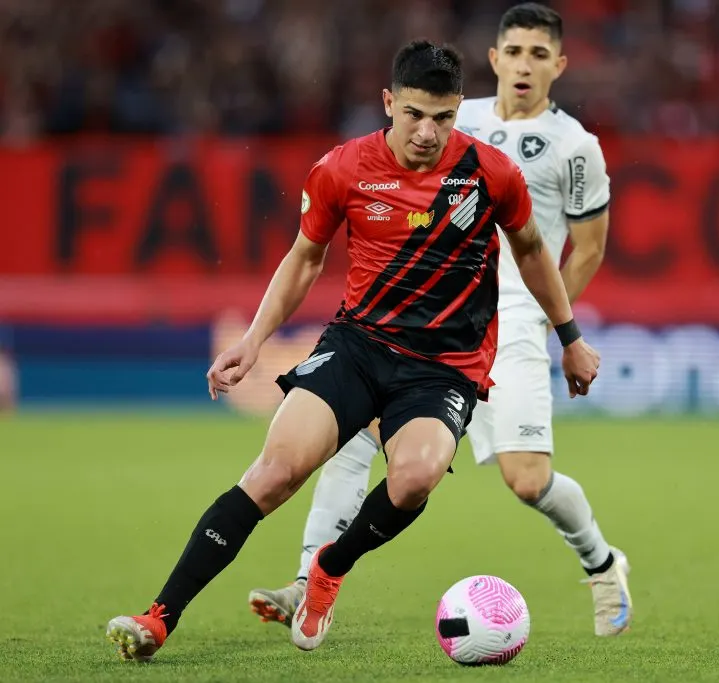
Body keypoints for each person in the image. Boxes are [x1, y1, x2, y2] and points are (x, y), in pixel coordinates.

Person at [105, 38, 600, 662]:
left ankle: (327, 570)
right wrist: (254, 340)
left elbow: (531, 251)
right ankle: (159, 616)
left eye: (443, 118)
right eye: (415, 114)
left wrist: (570, 337)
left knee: (416, 476)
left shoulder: (490, 173)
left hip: (443, 367)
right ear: (389, 102)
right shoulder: (342, 167)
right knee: (274, 473)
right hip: (359, 345)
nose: (428, 131)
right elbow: (304, 259)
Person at [248, 3, 632, 639]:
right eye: (514, 52)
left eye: (540, 55)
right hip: (428, 325)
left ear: (559, 66)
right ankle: (305, 579)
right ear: (495, 59)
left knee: (527, 480)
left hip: (514, 319)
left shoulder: (576, 147)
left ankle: (601, 561)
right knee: (356, 435)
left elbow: (584, 248)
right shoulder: (454, 117)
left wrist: (550, 327)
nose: (524, 65)